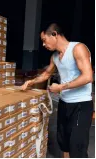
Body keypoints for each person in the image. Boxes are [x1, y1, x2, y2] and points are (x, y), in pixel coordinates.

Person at [21, 23, 93, 158]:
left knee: (77, 146)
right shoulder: (54, 57)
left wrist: (61, 87)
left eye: (44, 40)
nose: (43, 45)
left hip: (81, 105)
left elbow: (88, 77)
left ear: (54, 34)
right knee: (63, 142)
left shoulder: (78, 48)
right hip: (64, 104)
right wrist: (31, 81)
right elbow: (46, 74)